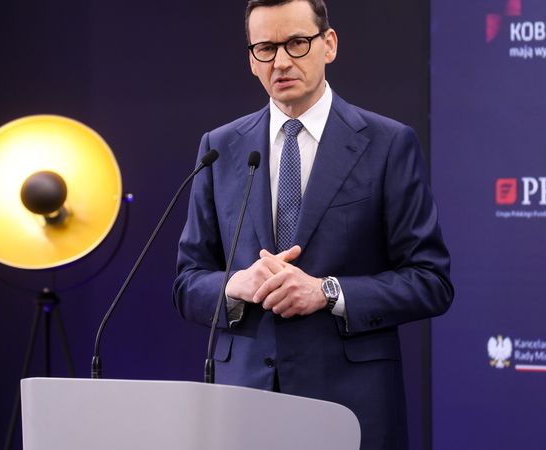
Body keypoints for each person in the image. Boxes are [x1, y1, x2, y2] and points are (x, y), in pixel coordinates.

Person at [173, 0, 453, 448]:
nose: (281, 61)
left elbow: (431, 281)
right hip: (242, 404)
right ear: (252, 59)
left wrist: (327, 292)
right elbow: (187, 283)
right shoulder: (219, 148)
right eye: (266, 48)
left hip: (350, 405)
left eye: (297, 43)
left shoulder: (387, 143)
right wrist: (234, 286)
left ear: (329, 45)